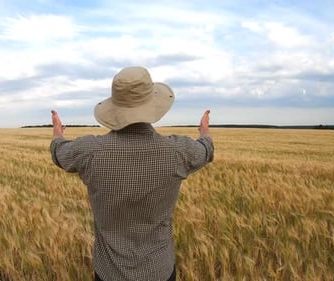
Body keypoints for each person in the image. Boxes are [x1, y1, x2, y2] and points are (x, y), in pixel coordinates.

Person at [50, 66, 214, 281]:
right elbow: (206, 150)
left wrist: (58, 134)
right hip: (159, 271)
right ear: (152, 105)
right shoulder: (179, 151)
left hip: (109, 273)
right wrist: (204, 133)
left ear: (115, 107)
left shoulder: (88, 151)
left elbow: (59, 153)